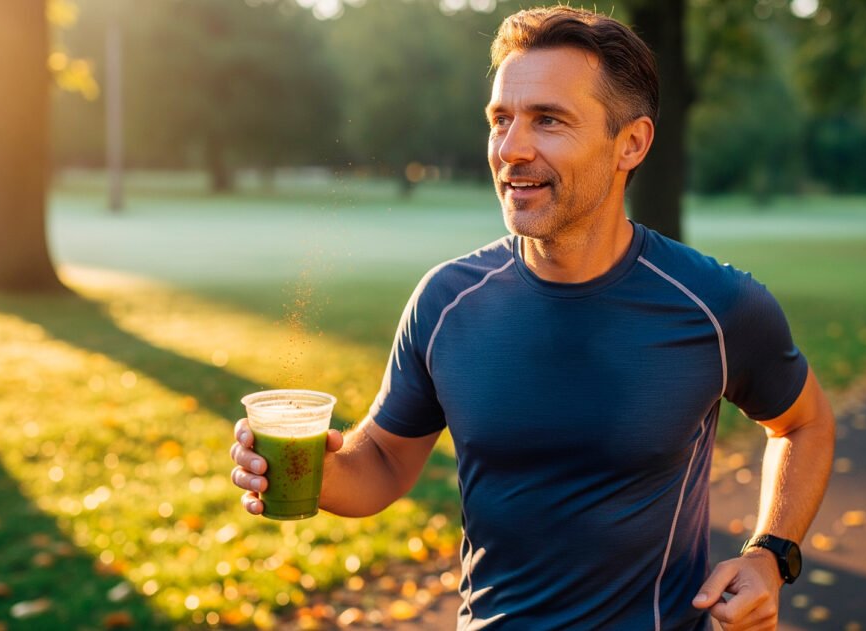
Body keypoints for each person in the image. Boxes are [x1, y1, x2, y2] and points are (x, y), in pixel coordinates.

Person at [230, 6, 835, 630]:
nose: (511, 149)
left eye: (548, 120)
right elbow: (382, 463)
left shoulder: (714, 305)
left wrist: (770, 555)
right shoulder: (445, 302)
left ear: (631, 143)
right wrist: (318, 471)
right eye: (501, 120)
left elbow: (804, 424)